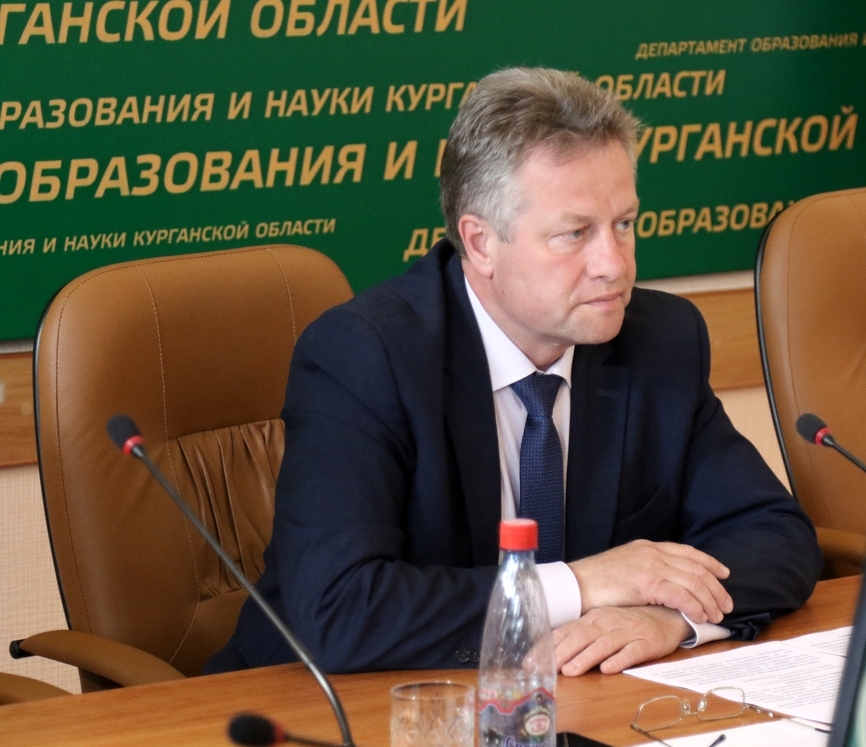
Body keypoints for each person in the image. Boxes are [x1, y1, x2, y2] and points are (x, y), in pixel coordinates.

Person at [207, 67, 821, 677]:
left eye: (624, 224)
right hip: (319, 706)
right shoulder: (366, 355)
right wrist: (581, 584)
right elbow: (343, 611)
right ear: (480, 243)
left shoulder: (660, 340)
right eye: (574, 233)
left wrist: (669, 619)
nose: (613, 264)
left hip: (567, 704)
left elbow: (776, 537)